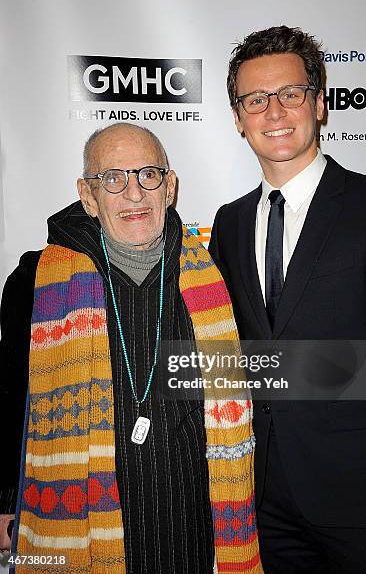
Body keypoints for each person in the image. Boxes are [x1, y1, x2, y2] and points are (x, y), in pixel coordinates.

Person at [0, 123, 262, 573]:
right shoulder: (35, 283)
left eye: (148, 175)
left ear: (170, 186)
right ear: (87, 195)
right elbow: (9, 399)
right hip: (79, 521)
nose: (134, 194)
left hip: (193, 531)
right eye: (113, 179)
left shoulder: (214, 280)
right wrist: (5, 498)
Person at [209, 26, 366, 574]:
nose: (274, 111)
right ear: (237, 116)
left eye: (290, 93)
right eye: (256, 99)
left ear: (320, 103)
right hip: (260, 501)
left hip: (364, 510)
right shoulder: (228, 223)